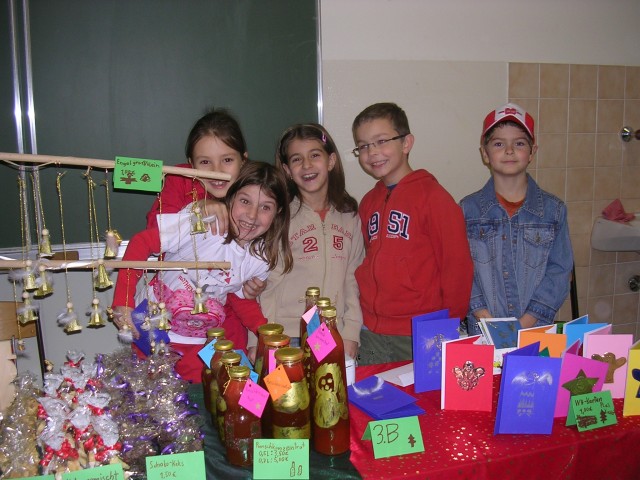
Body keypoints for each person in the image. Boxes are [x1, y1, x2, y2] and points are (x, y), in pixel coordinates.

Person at [112, 162, 293, 382]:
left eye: (266, 207)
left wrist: (263, 330)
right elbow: (141, 242)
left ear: (278, 212)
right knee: (149, 394)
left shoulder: (260, 257)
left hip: (198, 344)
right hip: (151, 330)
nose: (252, 215)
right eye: (245, 201)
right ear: (231, 197)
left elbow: (237, 296)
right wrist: (123, 301)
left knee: (204, 396)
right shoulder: (203, 222)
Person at [351, 102, 473, 365]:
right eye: (363, 146)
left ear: (406, 143)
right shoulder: (368, 202)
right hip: (372, 330)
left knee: (418, 393)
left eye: (381, 141)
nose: (372, 152)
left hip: (420, 333)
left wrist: (447, 327)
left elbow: (457, 267)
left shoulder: (434, 198)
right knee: (373, 390)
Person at [460, 103, 573, 335]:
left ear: (532, 151)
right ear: (484, 153)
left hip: (536, 331)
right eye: (499, 144)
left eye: (519, 143)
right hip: (482, 331)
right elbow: (460, 269)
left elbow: (560, 272)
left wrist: (523, 324)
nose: (509, 150)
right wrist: (484, 316)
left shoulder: (554, 211)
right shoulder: (467, 210)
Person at [258, 124, 364, 359]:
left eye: (315, 155)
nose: (306, 165)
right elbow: (267, 285)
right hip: (289, 336)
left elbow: (352, 279)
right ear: (287, 170)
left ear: (331, 161)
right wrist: (260, 341)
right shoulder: (279, 217)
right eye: (297, 159)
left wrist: (351, 333)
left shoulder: (349, 216)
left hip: (335, 333)